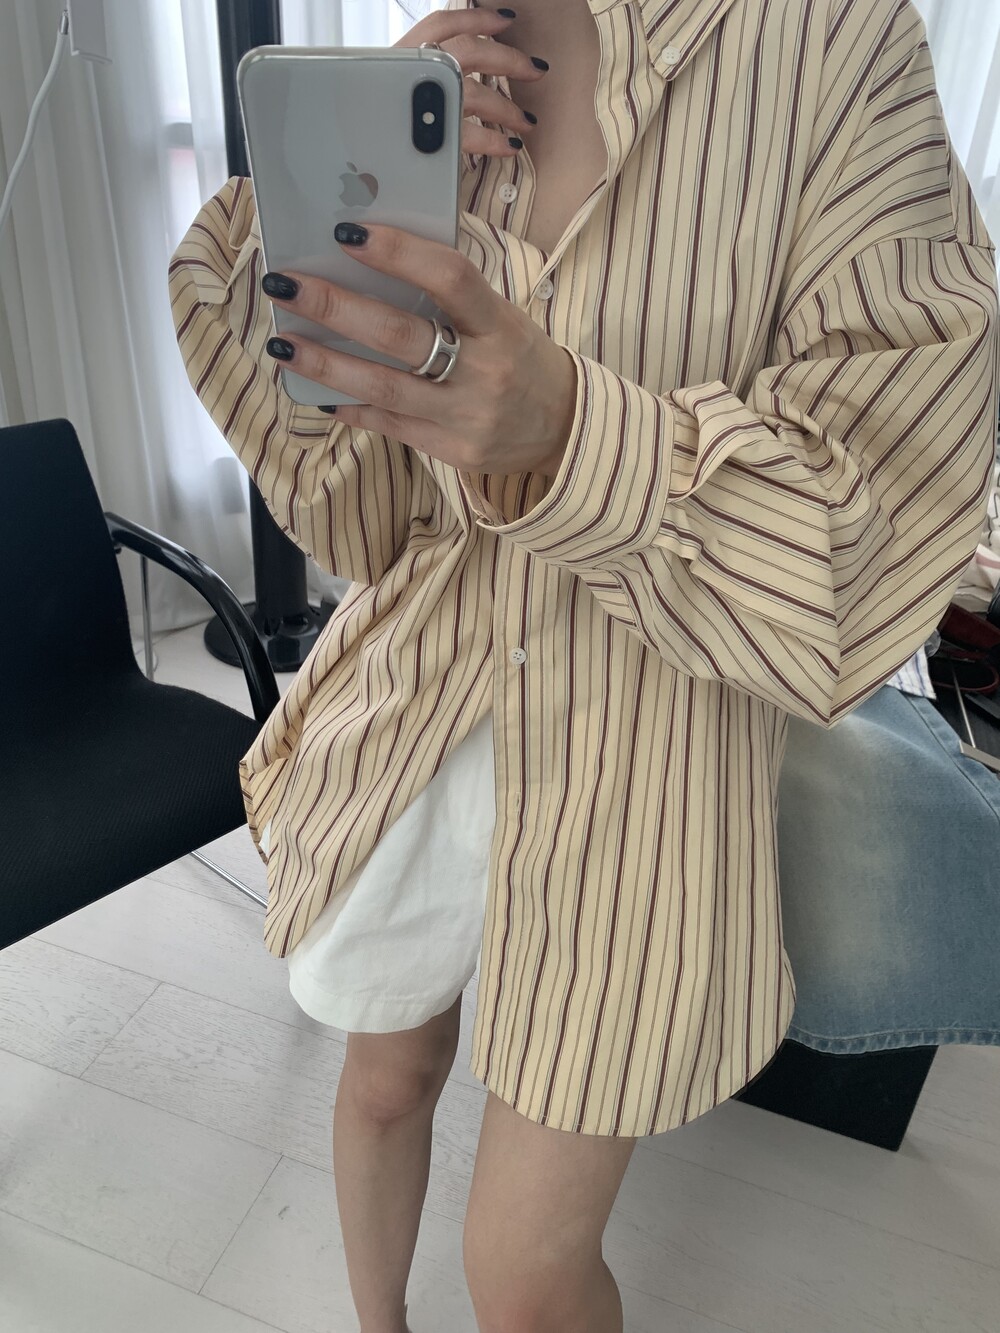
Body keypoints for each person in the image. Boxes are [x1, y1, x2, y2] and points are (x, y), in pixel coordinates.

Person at [169, 1, 999, 1330]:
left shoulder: (834, 42)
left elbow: (876, 516)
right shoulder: (465, 54)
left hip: (646, 748)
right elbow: (366, 521)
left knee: (524, 1274)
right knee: (382, 1083)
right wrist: (340, 195)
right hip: (425, 698)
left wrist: (569, 431)